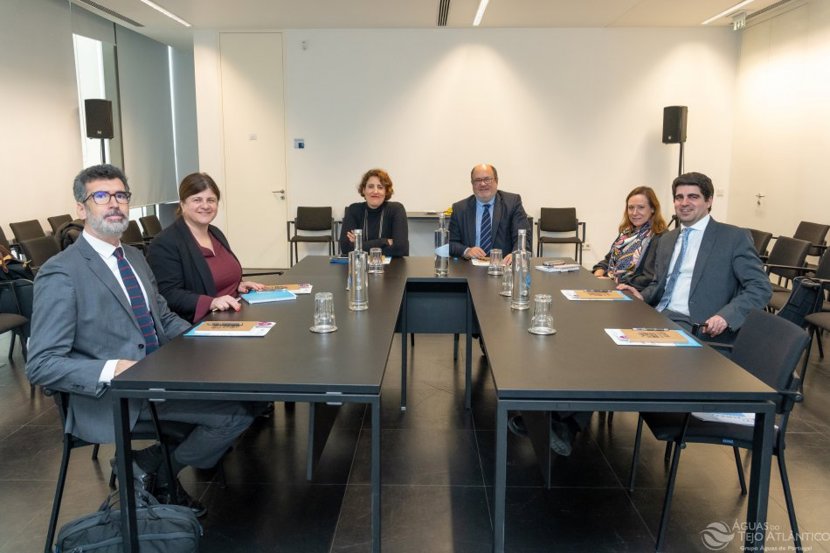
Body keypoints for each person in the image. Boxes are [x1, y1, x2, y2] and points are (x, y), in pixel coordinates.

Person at [27, 164, 258, 517]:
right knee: (233, 414)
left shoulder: (133, 256)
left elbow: (163, 318)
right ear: (81, 207)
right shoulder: (61, 272)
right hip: (114, 396)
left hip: (161, 375)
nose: (114, 204)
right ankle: (159, 469)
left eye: (121, 195)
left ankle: (143, 463)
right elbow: (42, 364)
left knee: (247, 394)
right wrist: (115, 368)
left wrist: (211, 340)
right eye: (101, 196)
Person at [618, 171, 772, 343]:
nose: (684, 203)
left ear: (709, 200)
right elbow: (659, 283)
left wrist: (726, 317)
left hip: (696, 326)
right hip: (658, 315)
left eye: (693, 197)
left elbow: (760, 287)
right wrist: (642, 296)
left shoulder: (733, 238)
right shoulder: (668, 239)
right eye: (679, 197)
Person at [147, 172, 265, 323]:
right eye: (197, 200)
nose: (205, 206)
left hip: (234, 313)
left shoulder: (215, 233)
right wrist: (211, 302)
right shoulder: (165, 243)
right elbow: (167, 294)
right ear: (182, 204)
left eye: (211, 200)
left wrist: (237, 285)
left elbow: (218, 276)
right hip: (201, 324)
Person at [449, 163, 530, 264]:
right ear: (472, 184)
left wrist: (516, 254)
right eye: (478, 180)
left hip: (504, 266)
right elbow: (450, 243)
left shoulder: (512, 203)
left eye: (487, 179)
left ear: (496, 181)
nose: (483, 184)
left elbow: (522, 236)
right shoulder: (459, 208)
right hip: (470, 267)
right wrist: (466, 251)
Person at [592, 186, 668, 290]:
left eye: (641, 207)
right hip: (611, 285)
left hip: (634, 292)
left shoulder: (660, 237)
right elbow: (609, 259)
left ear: (653, 209)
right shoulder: (627, 232)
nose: (634, 213)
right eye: (631, 207)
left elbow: (649, 278)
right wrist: (598, 273)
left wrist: (613, 281)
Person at [339, 168, 409, 257]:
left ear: (386, 191)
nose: (375, 191)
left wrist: (359, 246)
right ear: (364, 190)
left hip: (392, 267)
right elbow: (346, 248)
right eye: (370, 186)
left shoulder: (396, 209)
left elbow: (401, 249)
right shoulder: (353, 210)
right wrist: (385, 241)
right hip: (360, 266)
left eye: (380, 187)